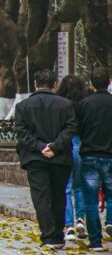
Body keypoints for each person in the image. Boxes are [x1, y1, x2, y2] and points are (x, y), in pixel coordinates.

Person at [14, 68, 78, 250]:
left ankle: (48, 236)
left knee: (41, 197)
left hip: (36, 158)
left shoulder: (23, 106)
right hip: (60, 158)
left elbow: (22, 133)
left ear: (35, 84)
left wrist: (41, 147)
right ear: (54, 85)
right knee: (59, 195)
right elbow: (71, 128)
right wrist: (55, 146)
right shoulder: (66, 105)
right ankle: (58, 234)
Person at [77, 67, 112, 252]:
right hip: (110, 155)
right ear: (109, 82)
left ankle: (96, 241)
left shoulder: (84, 104)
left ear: (91, 83)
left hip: (89, 155)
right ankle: (111, 222)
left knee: (90, 200)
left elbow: (79, 129)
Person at [57, 74, 89, 244]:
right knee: (80, 186)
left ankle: (68, 226)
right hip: (81, 147)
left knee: (67, 188)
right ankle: (80, 220)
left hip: (65, 148)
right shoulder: (85, 106)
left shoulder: (60, 106)